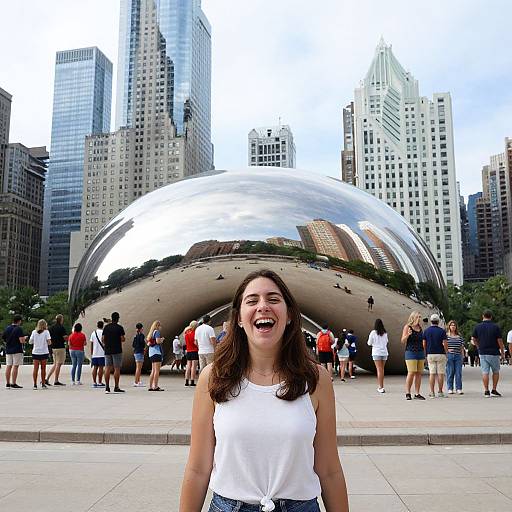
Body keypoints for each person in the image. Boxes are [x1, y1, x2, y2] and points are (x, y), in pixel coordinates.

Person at [179, 269, 349, 512]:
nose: (262, 306)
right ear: (238, 318)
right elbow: (197, 469)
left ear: (289, 315)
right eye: (252, 300)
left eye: (273, 299)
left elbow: (329, 469)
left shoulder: (316, 379)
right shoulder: (213, 378)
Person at [471, 310, 505, 397]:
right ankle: (494, 389)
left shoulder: (477, 327)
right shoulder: (495, 327)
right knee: (496, 371)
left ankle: (486, 391)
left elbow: (473, 339)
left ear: (483, 316)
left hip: (483, 352)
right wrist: (502, 352)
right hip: (494, 352)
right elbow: (499, 340)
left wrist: (478, 346)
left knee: (485, 372)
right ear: (491, 317)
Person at [401, 311, 425, 400]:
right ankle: (408, 392)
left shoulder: (420, 328)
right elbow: (403, 341)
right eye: (418, 317)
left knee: (419, 373)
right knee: (411, 372)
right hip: (410, 352)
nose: (420, 318)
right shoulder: (407, 327)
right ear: (413, 317)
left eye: (420, 317)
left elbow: (422, 341)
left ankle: (417, 393)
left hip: (420, 352)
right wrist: (408, 334)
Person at [422, 314, 448, 398]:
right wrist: (446, 352)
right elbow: (444, 343)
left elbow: (424, 344)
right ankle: (440, 392)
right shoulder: (442, 331)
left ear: (431, 321)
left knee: (432, 373)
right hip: (440, 353)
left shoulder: (426, 331)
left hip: (430, 354)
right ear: (438, 321)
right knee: (441, 373)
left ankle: (432, 392)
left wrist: (425, 354)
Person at [102, 311, 126, 394]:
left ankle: (107, 387)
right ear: (118, 318)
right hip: (117, 350)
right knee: (117, 368)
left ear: (111, 318)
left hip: (107, 350)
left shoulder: (106, 327)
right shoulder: (119, 328)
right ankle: (116, 386)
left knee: (107, 368)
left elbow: (103, 339)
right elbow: (123, 339)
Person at [3, 314, 26, 389]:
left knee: (8, 366)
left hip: (8, 349)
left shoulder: (7, 328)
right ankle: (14, 382)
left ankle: (7, 383)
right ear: (19, 321)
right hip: (17, 350)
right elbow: (21, 341)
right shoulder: (19, 329)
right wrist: (25, 338)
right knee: (15, 366)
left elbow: (4, 338)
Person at [367, 319, 389, 393]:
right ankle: (381, 386)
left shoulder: (373, 332)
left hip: (376, 352)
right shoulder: (385, 333)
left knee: (379, 369)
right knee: (382, 369)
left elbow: (369, 343)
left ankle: (381, 387)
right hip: (384, 352)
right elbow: (386, 342)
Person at [46, 314, 68, 386]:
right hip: (60, 347)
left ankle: (47, 378)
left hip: (53, 347)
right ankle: (56, 380)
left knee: (55, 364)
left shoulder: (51, 328)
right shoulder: (61, 328)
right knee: (58, 364)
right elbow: (65, 337)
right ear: (61, 320)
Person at [29, 319, 51, 389]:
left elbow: (30, 342)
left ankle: (35, 384)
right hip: (44, 352)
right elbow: (49, 342)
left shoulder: (34, 332)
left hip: (35, 352)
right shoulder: (46, 332)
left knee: (35, 369)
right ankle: (43, 384)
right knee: (43, 369)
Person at [445, 320, 464, 395]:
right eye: (451, 325)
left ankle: (459, 388)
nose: (453, 326)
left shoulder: (459, 336)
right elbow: (443, 345)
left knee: (458, 373)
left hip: (458, 356)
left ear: (456, 327)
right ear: (449, 326)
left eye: (454, 325)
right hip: (449, 355)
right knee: (450, 372)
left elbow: (462, 347)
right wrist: (447, 350)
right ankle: (450, 388)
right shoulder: (446, 336)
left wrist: (463, 356)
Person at [147, 320, 165, 391]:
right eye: (160, 325)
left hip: (151, 353)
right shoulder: (157, 332)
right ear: (157, 326)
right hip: (157, 352)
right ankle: (156, 386)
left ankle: (151, 386)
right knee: (157, 371)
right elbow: (157, 341)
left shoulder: (151, 333)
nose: (160, 327)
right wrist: (162, 339)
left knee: (153, 370)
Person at [89, 320, 105, 388]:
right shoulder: (104, 333)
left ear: (97, 325)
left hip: (95, 353)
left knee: (95, 368)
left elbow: (91, 344)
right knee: (101, 368)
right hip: (102, 353)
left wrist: (92, 353)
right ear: (103, 325)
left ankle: (94, 382)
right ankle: (100, 382)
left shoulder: (93, 333)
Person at [184, 320, 198, 386]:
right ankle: (192, 381)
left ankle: (186, 381)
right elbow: (195, 343)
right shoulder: (195, 333)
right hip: (194, 351)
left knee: (188, 366)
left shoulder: (186, 333)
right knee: (194, 367)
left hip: (188, 351)